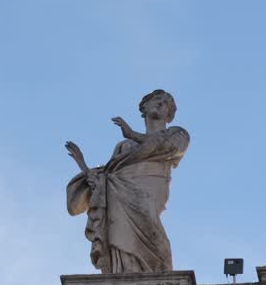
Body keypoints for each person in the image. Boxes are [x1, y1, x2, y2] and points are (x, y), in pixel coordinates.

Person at [65, 89, 190, 273]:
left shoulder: (178, 134)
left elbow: (164, 146)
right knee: (120, 235)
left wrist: (132, 134)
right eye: (156, 99)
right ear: (144, 108)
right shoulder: (124, 146)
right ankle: (124, 272)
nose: (161, 103)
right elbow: (108, 178)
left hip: (149, 189)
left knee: (152, 233)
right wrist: (87, 170)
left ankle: (157, 277)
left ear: (169, 114)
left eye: (166, 103)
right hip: (119, 191)